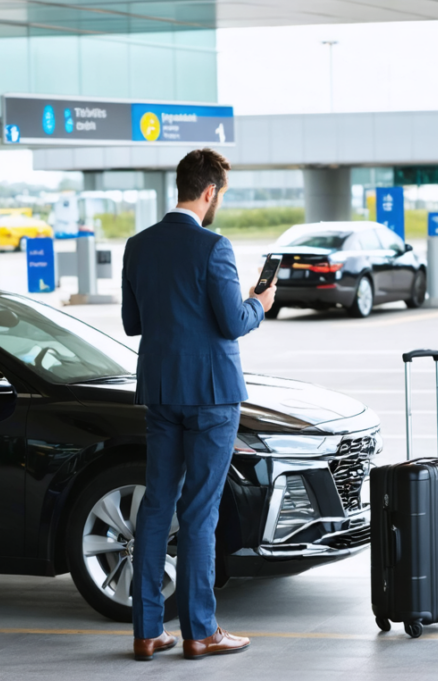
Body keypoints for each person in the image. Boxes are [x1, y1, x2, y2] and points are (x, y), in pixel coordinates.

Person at [121, 148, 277, 661]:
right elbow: (233, 322)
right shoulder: (214, 247)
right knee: (199, 511)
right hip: (212, 395)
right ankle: (200, 631)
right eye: (220, 194)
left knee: (157, 505)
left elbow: (132, 323)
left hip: (161, 390)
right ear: (209, 191)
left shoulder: (138, 246)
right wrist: (259, 303)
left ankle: (148, 631)